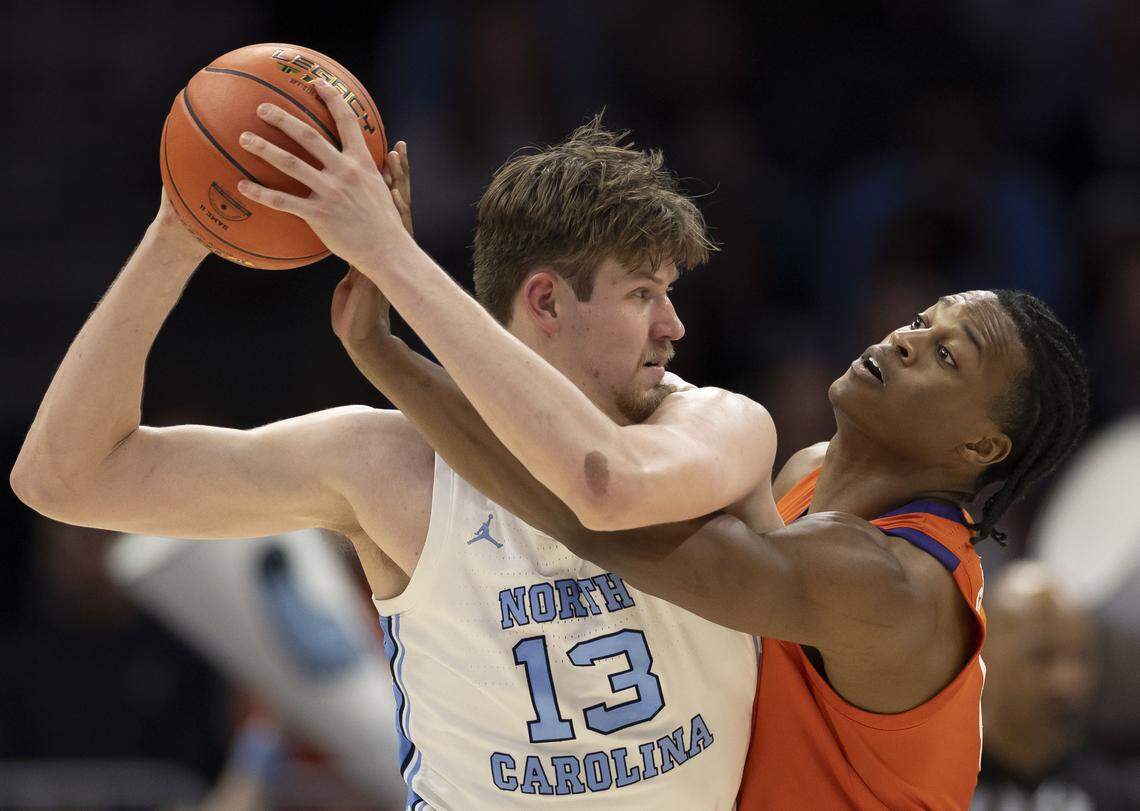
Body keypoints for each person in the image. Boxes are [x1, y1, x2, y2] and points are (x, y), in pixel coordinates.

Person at [243, 82, 1091, 807]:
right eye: (922, 321)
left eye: (947, 356)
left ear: (982, 446)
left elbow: (597, 513)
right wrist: (384, 354)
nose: (907, 341)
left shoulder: (895, 586)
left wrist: (391, 306)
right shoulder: (811, 473)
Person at [11, 104, 781, 808]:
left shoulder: (719, 427)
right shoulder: (388, 466)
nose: (673, 325)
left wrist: (388, 259)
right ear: (546, 301)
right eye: (644, 293)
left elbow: (602, 486)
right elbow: (63, 477)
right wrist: (180, 230)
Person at [972, 561, 1140, 810]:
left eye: (1081, 657)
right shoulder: (932, 782)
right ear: (983, 655)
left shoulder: (1114, 794)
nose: (1067, 681)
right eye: (1042, 656)